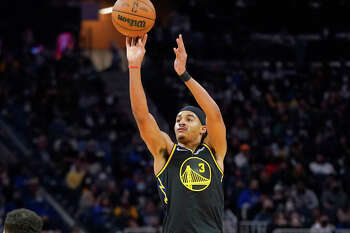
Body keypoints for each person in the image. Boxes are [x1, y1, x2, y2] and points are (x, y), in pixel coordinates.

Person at [126, 34, 227, 233]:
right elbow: (142, 117)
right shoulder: (166, 151)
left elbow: (214, 115)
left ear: (203, 129)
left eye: (189, 119)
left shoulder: (213, 152)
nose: (181, 122)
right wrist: (134, 66)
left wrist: (184, 74)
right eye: (178, 119)